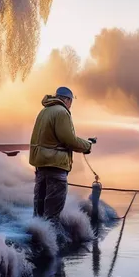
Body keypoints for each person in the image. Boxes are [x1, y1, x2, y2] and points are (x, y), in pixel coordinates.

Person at [29, 87, 93, 223]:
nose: (71, 105)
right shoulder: (62, 112)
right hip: (56, 167)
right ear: (67, 99)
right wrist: (87, 145)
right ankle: (53, 243)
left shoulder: (44, 111)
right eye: (71, 101)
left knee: (39, 213)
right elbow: (69, 140)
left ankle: (37, 240)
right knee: (52, 214)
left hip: (41, 166)